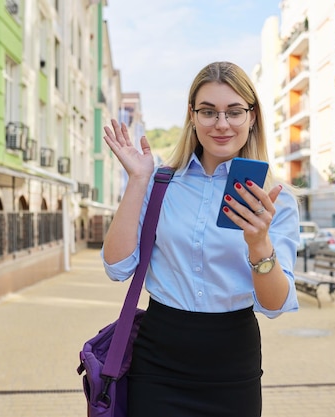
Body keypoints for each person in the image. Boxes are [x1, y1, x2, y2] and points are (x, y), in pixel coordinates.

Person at [101, 61, 300, 417]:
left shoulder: (275, 199)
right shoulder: (161, 184)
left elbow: (274, 306)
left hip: (231, 363)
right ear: (192, 116)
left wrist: (258, 244)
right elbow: (116, 268)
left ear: (252, 117)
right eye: (208, 112)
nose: (221, 124)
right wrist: (137, 181)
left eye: (234, 111)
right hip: (157, 359)